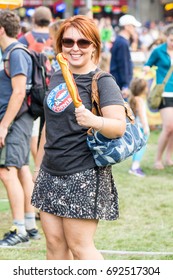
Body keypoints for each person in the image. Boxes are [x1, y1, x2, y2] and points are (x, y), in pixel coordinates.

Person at [31, 15, 126, 260]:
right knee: (54, 245)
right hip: (51, 170)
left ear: (94, 45)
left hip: (83, 173)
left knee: (80, 247)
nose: (75, 47)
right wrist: (39, 166)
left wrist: (93, 120)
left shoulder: (102, 81)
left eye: (83, 42)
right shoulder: (57, 75)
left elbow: (118, 127)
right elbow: (48, 126)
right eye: (68, 41)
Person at [0, 10, 40, 247]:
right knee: (23, 169)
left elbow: (18, 91)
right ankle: (30, 225)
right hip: (20, 120)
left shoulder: (15, 53)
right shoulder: (14, 52)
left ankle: (19, 229)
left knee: (6, 171)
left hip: (15, 120)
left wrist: (4, 125)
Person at [19, 6, 53, 165]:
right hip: (54, 89)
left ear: (34, 20)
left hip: (32, 92)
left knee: (33, 132)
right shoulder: (56, 38)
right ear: (50, 19)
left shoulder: (26, 38)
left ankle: (37, 164)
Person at [144, 24, 173, 169]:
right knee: (168, 126)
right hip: (164, 92)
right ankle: (157, 159)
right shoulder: (159, 51)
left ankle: (168, 158)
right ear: (166, 37)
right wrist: (145, 71)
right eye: (171, 39)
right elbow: (148, 64)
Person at [110, 14, 141, 100]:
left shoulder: (120, 41)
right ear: (127, 27)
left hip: (118, 83)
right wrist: (125, 85)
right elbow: (123, 65)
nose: (135, 29)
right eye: (133, 26)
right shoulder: (122, 43)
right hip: (121, 85)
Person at [128, 78, 150, 177]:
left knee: (138, 147)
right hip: (141, 127)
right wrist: (146, 127)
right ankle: (135, 167)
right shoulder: (139, 100)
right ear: (143, 89)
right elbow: (142, 114)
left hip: (135, 127)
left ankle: (134, 165)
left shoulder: (133, 98)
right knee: (142, 147)